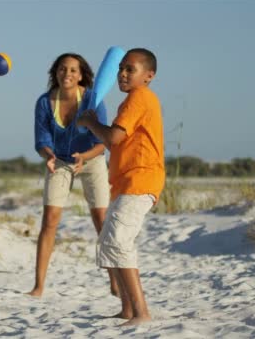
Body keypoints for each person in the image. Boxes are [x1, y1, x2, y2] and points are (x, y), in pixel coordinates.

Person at [77, 48, 164, 326]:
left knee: (118, 242)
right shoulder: (134, 100)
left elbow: (113, 138)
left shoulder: (138, 98)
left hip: (140, 180)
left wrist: (91, 123)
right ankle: (127, 310)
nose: (122, 74)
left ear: (148, 76)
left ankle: (141, 313)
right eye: (121, 68)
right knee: (109, 242)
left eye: (131, 69)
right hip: (126, 182)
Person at [28, 53, 118, 297]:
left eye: (72, 70)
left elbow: (103, 142)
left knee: (101, 220)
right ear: (55, 72)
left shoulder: (92, 99)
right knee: (50, 220)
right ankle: (38, 286)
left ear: (81, 75)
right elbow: (41, 139)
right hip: (59, 160)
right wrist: (48, 155)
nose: (67, 74)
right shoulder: (44, 102)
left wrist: (85, 157)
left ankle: (115, 282)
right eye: (62, 69)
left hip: (92, 159)